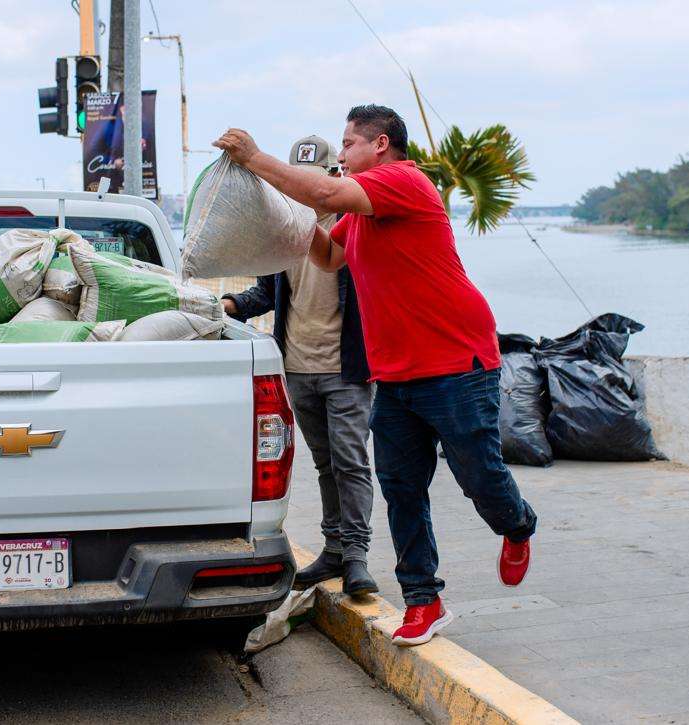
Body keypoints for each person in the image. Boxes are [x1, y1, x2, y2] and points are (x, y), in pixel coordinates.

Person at [213, 105, 538, 647]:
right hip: (396, 376)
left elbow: (325, 192)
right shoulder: (360, 214)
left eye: (348, 144)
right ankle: (423, 600)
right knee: (401, 488)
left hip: (456, 365)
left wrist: (255, 157)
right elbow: (328, 256)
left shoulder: (404, 181)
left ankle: (517, 524)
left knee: (478, 476)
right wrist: (282, 217)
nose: (341, 154)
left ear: (380, 144)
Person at [222, 135, 378, 597]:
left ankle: (356, 557)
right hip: (296, 366)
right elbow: (267, 293)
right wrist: (229, 305)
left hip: (346, 369)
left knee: (351, 463)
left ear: (334, 176)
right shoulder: (287, 230)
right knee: (327, 464)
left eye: (315, 179)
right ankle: (333, 551)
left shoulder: (354, 225)